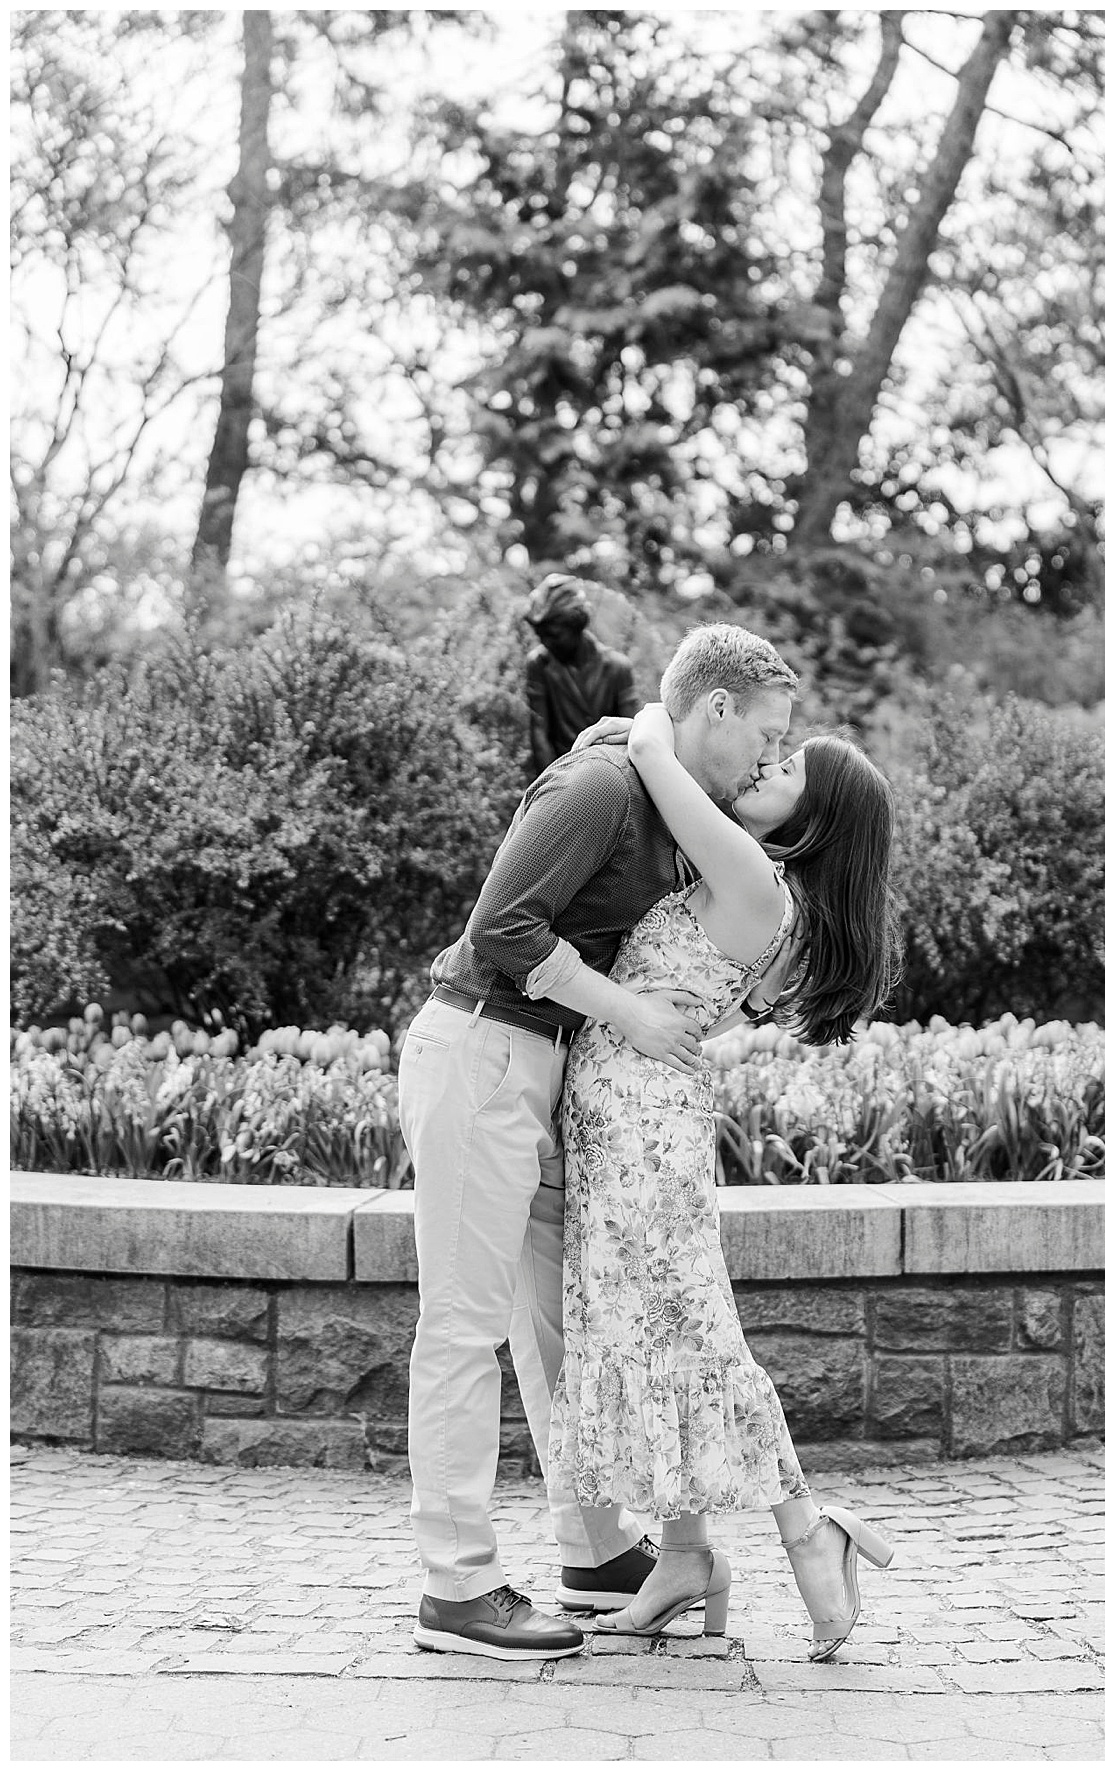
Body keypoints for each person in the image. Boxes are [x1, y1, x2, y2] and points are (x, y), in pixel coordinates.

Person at [399, 622, 797, 1661]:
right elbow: (501, 930)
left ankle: (589, 1547)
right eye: (763, 734)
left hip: (543, 1066)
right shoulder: (597, 790)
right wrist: (625, 1010)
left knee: (549, 1324)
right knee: (464, 1322)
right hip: (481, 1049)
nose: (766, 758)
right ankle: (456, 1586)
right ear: (714, 709)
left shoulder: (659, 793)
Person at [548, 690, 900, 1660]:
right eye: (768, 756)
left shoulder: (749, 872)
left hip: (646, 1129)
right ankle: (685, 1554)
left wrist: (652, 715)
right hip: (624, 1121)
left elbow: (661, 746)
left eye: (785, 771)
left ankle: (806, 1532)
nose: (760, 769)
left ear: (816, 818)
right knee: (647, 1329)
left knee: (694, 1336)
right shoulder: (748, 875)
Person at [523, 573, 643, 778]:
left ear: (575, 626)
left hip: (610, 777)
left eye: (553, 635)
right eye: (541, 636)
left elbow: (631, 737)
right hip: (561, 775)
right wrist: (553, 782)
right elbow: (539, 732)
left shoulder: (617, 668)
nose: (545, 643)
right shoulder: (539, 665)